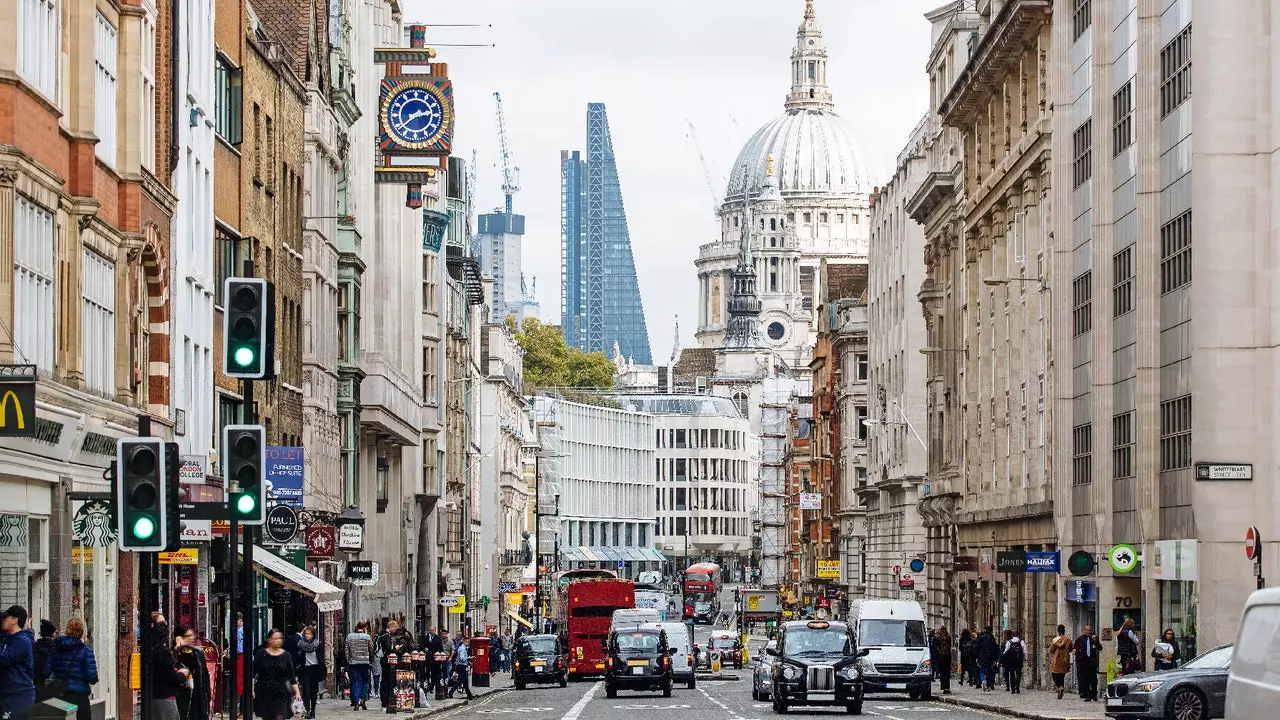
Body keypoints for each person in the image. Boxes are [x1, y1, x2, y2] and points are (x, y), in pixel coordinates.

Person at [253, 629, 302, 720]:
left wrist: (297, 692)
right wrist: (252, 690)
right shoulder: (261, 654)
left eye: (280, 638)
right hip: (264, 692)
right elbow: (253, 674)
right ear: (269, 640)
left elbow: (291, 676)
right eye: (275, 638)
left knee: (279, 716)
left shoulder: (286, 655)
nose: (278, 640)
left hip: (281, 692)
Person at [150, 618, 191, 720]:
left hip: (153, 697)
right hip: (166, 697)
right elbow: (171, 676)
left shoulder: (150, 651)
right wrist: (182, 675)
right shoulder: (164, 652)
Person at [1, 605, 36, 719]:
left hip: (18, 695)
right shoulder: (10, 639)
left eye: (6, 617)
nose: (3, 620)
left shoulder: (21, 641)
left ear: (15, 620)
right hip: (9, 693)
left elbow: (4, 659)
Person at [174, 626, 211, 720]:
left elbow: (205, 674)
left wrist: (207, 693)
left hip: (198, 694)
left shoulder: (198, 653)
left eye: (192, 635)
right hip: (183, 696)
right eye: (187, 636)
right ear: (180, 637)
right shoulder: (175, 654)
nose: (191, 638)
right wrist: (177, 648)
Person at [294, 626, 324, 719]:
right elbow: (297, 658)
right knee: (306, 691)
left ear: (313, 635)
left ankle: (313, 710)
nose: (307, 635)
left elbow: (321, 658)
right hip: (305, 670)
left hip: (315, 670)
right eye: (305, 634)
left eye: (309, 634)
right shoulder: (300, 644)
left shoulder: (317, 645)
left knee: (313, 692)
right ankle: (308, 710)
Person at [343, 621, 374, 710]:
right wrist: (370, 660)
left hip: (353, 663)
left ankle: (356, 702)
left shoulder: (349, 636)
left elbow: (346, 651)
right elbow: (371, 649)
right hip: (365, 662)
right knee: (365, 681)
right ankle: (363, 699)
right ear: (364, 628)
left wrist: (349, 660)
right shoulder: (367, 637)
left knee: (355, 682)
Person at [1074, 624, 1101, 701]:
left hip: (1092, 663)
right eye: (1087, 630)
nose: (1089, 632)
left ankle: (1094, 695)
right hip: (1083, 662)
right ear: (1084, 630)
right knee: (1085, 680)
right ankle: (1088, 695)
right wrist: (1079, 658)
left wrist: (1096, 641)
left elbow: (1100, 648)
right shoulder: (1080, 639)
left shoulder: (1094, 638)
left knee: (1093, 680)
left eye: (1090, 630)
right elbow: (1076, 649)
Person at [1048, 625, 1073, 700]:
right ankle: (1061, 688)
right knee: (1062, 676)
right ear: (1064, 631)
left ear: (1058, 631)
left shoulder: (1055, 640)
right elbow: (1071, 649)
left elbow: (1051, 650)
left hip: (1056, 660)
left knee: (1054, 675)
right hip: (1065, 661)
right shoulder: (1068, 641)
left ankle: (1060, 687)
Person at [33, 619, 57, 699]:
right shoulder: (55, 647)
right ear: (53, 634)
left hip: (36, 684)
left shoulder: (35, 646)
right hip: (51, 687)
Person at [447, 633, 473, 700]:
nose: (468, 644)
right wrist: (468, 658)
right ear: (464, 641)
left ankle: (451, 693)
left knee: (461, 681)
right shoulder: (462, 648)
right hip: (461, 666)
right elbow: (462, 658)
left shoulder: (463, 648)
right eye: (468, 642)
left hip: (461, 666)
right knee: (463, 681)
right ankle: (469, 695)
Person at [975, 627, 1000, 692]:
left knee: (982, 669)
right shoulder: (992, 638)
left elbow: (977, 648)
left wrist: (977, 657)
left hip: (982, 657)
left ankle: (983, 680)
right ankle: (989, 685)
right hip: (990, 657)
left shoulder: (981, 638)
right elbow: (995, 649)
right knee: (989, 671)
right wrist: (995, 658)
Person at [934, 627, 953, 694]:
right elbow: (949, 646)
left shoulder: (938, 638)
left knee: (942, 673)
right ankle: (947, 687)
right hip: (947, 657)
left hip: (941, 657)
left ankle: (944, 687)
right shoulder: (948, 637)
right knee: (947, 673)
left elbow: (936, 648)